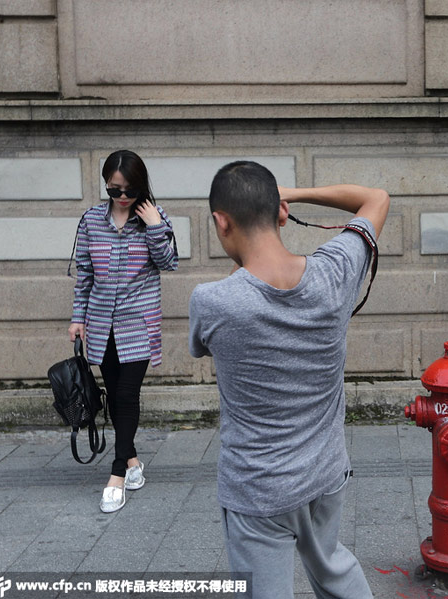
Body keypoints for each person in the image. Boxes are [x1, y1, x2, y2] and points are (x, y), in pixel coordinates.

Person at [188, 161, 389, 599]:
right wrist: (292, 194)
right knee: (332, 565)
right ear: (280, 213)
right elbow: (376, 199)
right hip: (325, 473)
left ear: (221, 222)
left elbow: (200, 347)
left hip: (258, 488)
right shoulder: (335, 271)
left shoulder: (213, 302)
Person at [69, 150, 178, 512]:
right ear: (106, 186)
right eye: (115, 190)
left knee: (128, 395)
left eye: (129, 189)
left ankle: (116, 474)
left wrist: (155, 227)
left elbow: (168, 263)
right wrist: (77, 318)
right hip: (101, 324)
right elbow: (84, 275)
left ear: (141, 185)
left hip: (138, 323)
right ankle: (132, 461)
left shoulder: (153, 217)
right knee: (114, 397)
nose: (123, 197)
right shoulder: (91, 221)